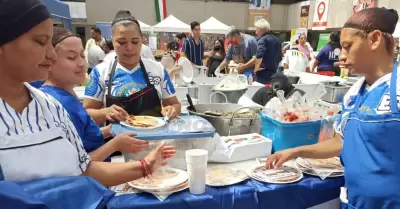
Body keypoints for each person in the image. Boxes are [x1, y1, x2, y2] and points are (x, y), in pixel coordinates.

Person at [0, 0, 175, 187]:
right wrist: (109, 127)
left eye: (82, 55)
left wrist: (146, 165)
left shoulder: (50, 106)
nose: (50, 55)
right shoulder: (100, 72)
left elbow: (82, 168)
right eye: (41, 42)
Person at [265, 7, 400, 208]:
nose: (341, 58)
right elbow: (340, 143)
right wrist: (294, 152)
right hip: (354, 203)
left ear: (375, 39)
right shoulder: (355, 93)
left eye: (348, 46)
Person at [40, 27, 149, 162]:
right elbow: (74, 166)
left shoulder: (66, 95)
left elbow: (81, 138)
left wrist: (110, 130)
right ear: (48, 61)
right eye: (71, 57)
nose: (81, 63)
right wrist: (114, 145)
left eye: (81, 55)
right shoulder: (55, 103)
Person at [84, 10, 181, 125]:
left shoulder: (157, 70)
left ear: (142, 40)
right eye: (121, 42)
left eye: (135, 42)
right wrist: (105, 113)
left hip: (155, 141)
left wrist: (172, 110)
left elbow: (175, 104)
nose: (129, 48)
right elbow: (86, 113)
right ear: (112, 41)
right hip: (116, 141)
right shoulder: (100, 72)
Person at [254, 19, 282, 84]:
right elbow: (280, 57)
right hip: (274, 72)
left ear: (261, 29)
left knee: (261, 92)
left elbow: (259, 55)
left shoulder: (262, 40)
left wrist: (256, 68)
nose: (256, 32)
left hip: (263, 73)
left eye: (257, 30)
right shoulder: (277, 40)